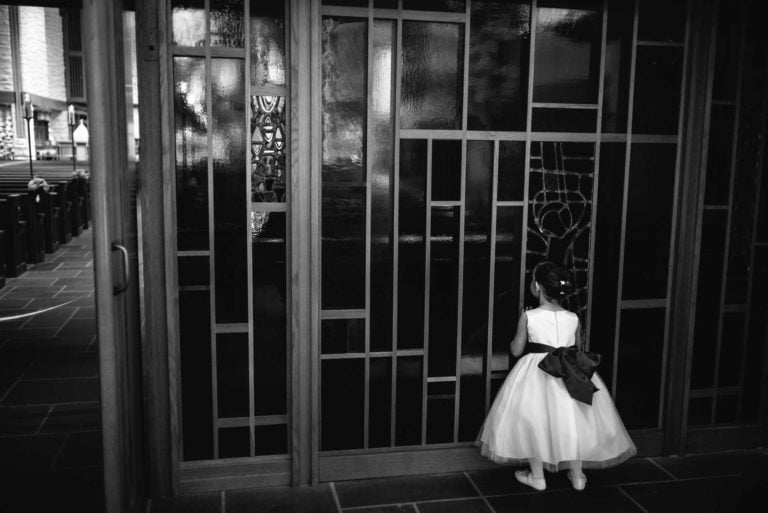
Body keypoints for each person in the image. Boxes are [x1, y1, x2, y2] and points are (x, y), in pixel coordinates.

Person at [477, 261, 636, 491]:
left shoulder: (529, 316)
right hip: (570, 373)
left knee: (532, 422)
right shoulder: (573, 317)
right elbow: (578, 348)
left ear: (538, 287)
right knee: (574, 421)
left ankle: (538, 477)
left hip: (536, 372)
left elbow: (516, 350)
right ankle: (578, 476)